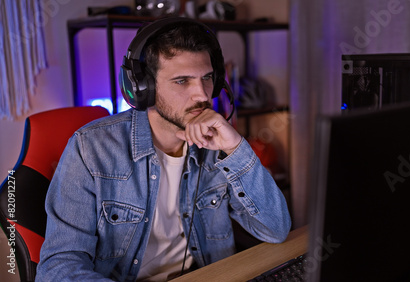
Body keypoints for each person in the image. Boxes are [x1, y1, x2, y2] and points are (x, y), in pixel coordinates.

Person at [36, 17, 291, 281]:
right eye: (182, 81)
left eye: (207, 78)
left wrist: (235, 148)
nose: (202, 95)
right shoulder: (90, 149)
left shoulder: (218, 143)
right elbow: (58, 268)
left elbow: (276, 230)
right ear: (144, 88)